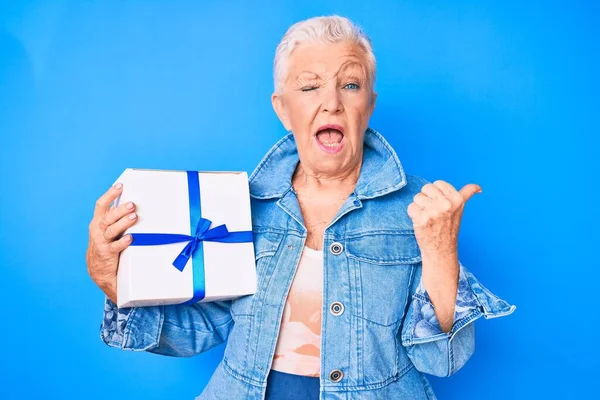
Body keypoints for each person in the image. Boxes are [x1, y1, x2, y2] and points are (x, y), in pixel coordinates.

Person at [86, 15, 516, 400]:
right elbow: (200, 330)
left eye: (350, 85)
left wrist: (441, 250)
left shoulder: (421, 210)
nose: (331, 102)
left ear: (369, 105)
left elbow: (444, 359)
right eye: (309, 87)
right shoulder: (239, 207)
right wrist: (112, 278)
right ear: (283, 109)